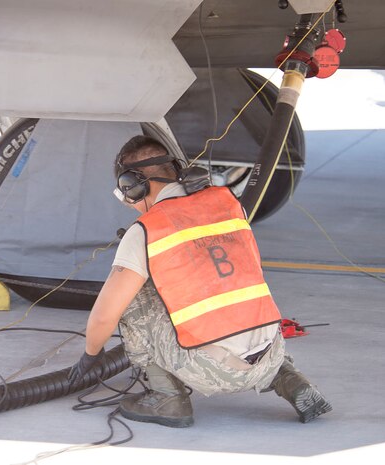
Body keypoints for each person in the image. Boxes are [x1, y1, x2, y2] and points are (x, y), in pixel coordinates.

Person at [68, 135, 332, 427]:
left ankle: (167, 397)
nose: (130, 204)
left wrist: (90, 357)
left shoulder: (147, 229)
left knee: (131, 297)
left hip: (213, 370)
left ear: (134, 184)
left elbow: (105, 315)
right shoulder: (230, 206)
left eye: (127, 193)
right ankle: (291, 381)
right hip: (272, 354)